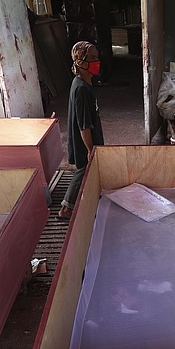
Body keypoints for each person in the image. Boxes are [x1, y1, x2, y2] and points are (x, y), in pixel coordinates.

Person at [57, 41, 105, 220]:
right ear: (80, 62)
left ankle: (89, 198)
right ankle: (66, 208)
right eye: (92, 59)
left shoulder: (81, 83)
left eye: (97, 58)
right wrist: (90, 149)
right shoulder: (81, 90)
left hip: (89, 138)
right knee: (83, 170)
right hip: (84, 141)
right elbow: (84, 125)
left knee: (87, 170)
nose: (97, 62)